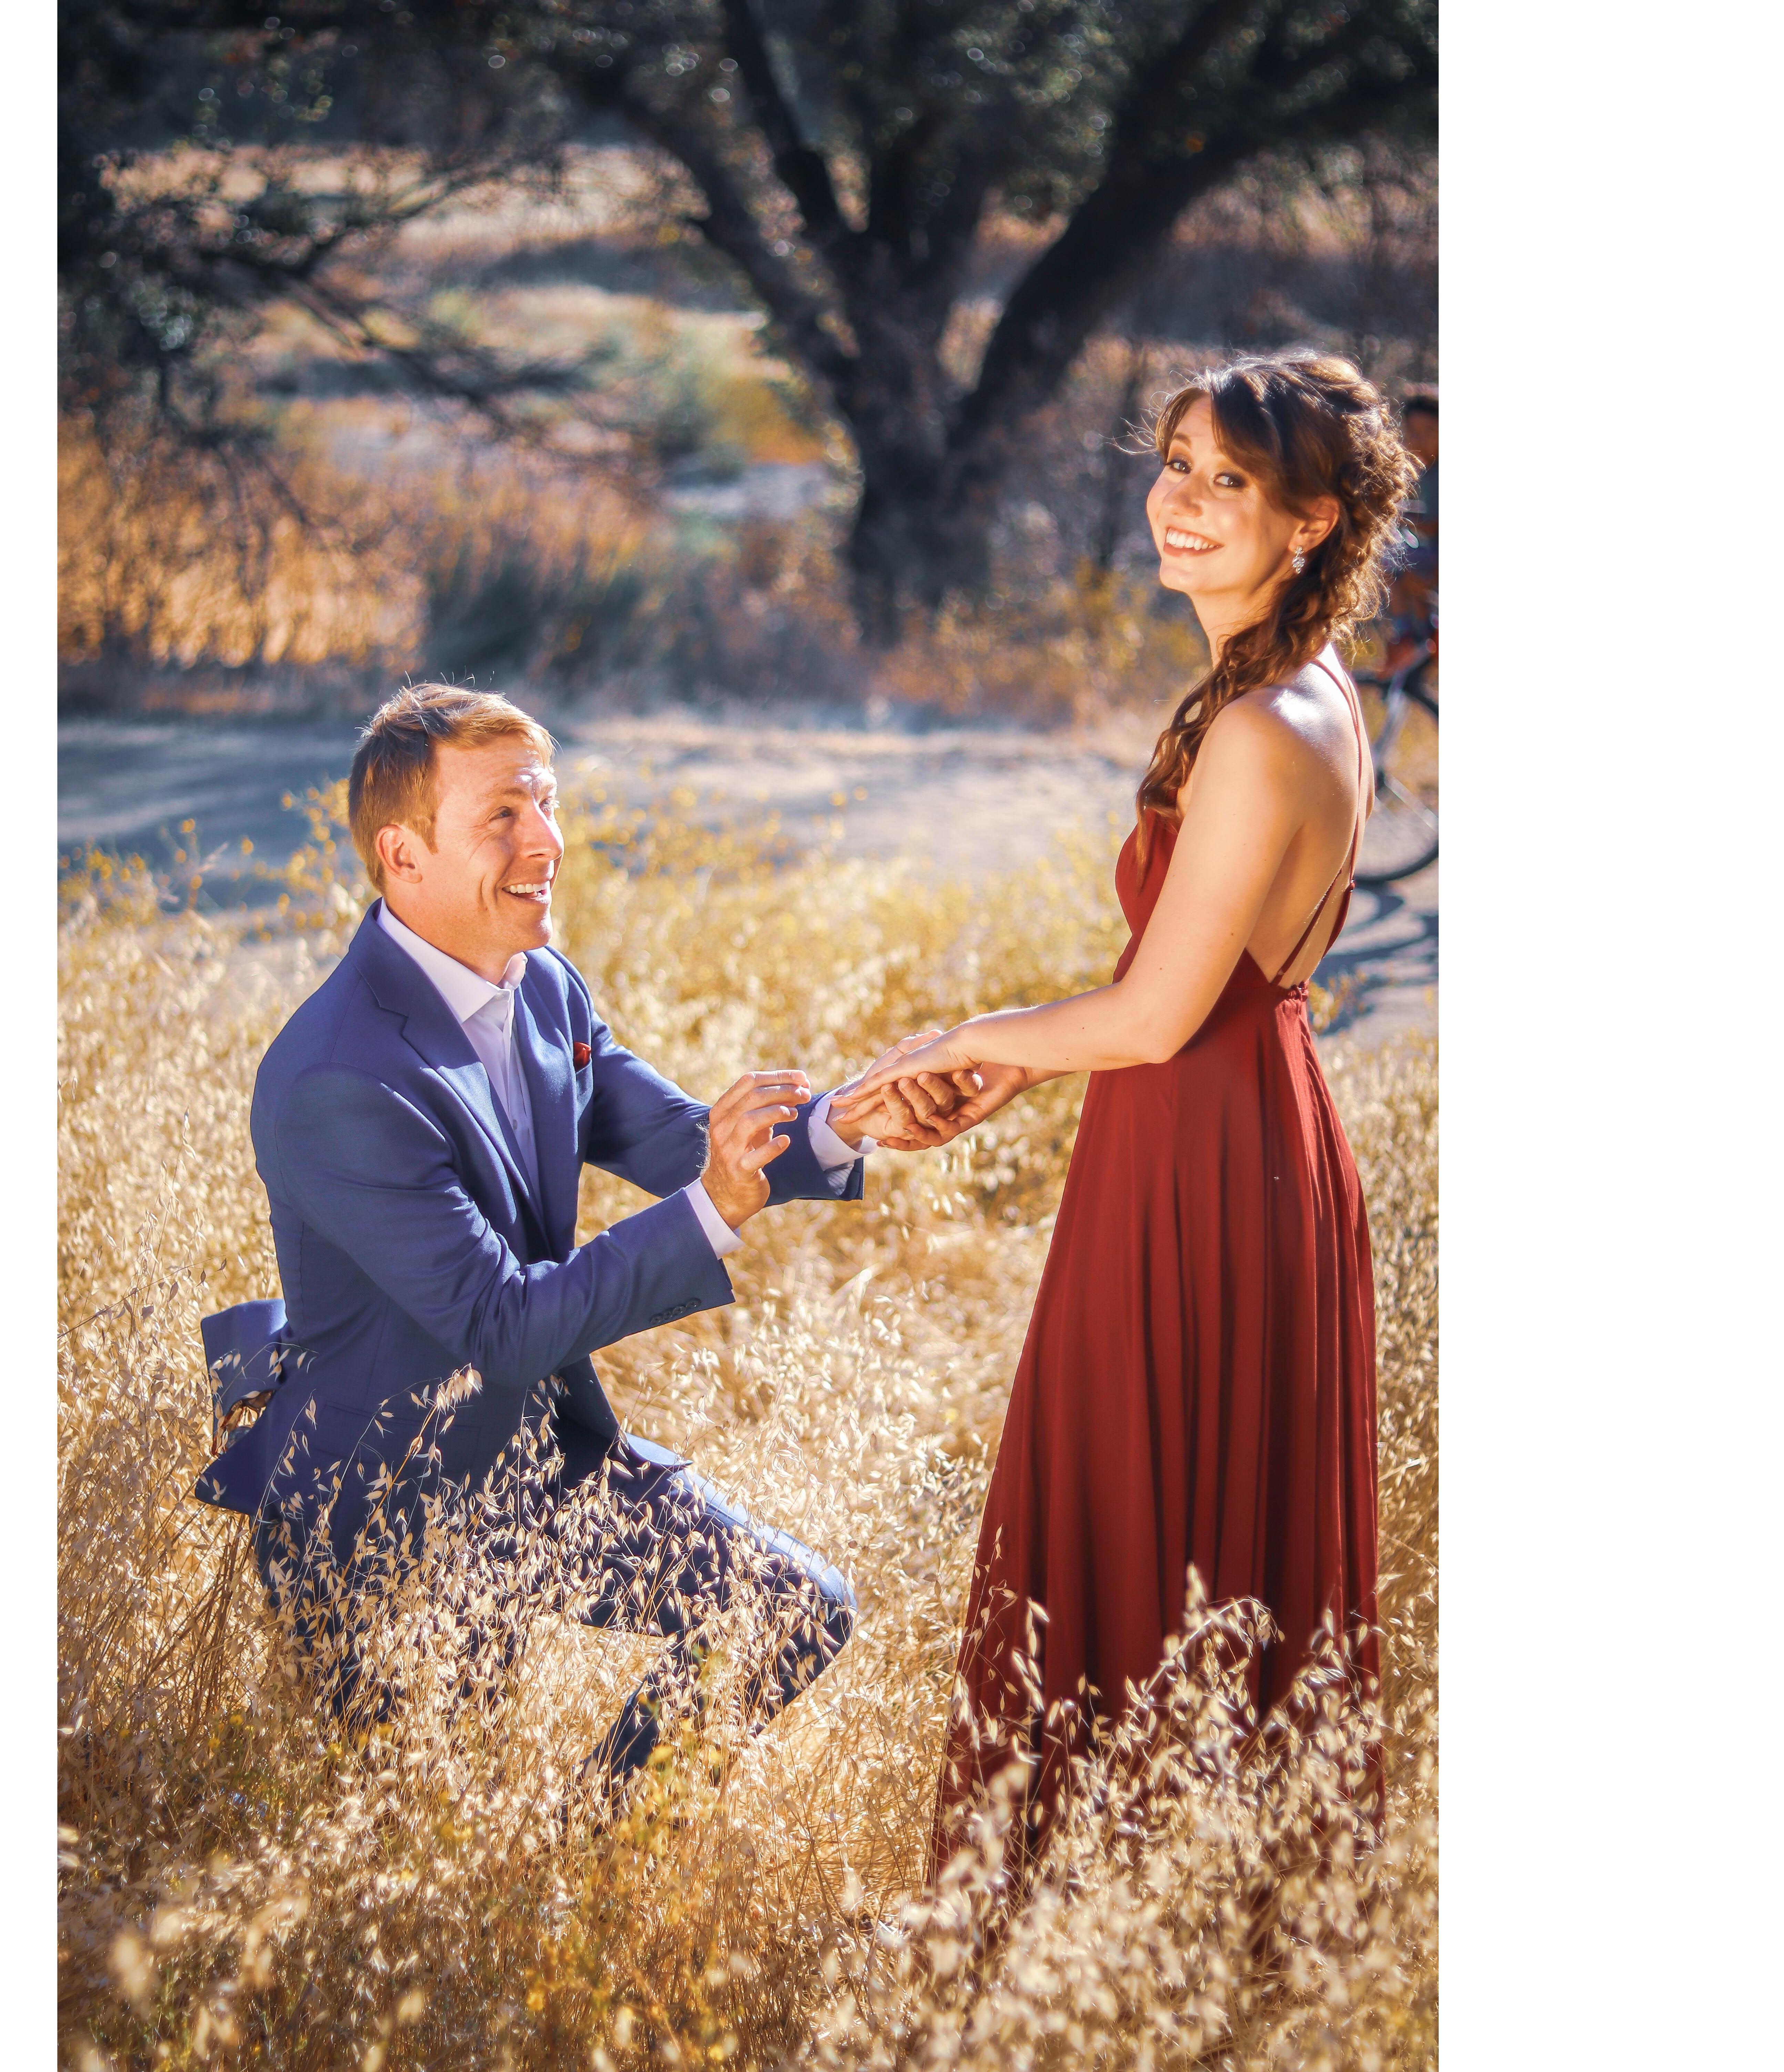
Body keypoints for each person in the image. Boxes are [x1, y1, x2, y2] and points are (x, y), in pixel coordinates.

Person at [837, 351, 1420, 1881]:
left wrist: (967, 1038)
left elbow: (1162, 1014)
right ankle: (1169, 1926)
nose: (1178, 501)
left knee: (1128, 1526)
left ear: (1309, 522)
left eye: (1226, 480)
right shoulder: (1285, 686)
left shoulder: (1260, 723)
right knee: (1179, 1535)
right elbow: (1181, 991)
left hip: (1203, 1154)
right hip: (1217, 1131)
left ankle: (1079, 1930)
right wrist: (1015, 1069)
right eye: (1171, 462)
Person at [195, 685, 963, 1807]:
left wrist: (850, 1119)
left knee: (796, 1607)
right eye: (504, 814)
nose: (547, 842)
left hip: (543, 1463)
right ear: (404, 857)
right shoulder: (335, 1078)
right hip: (390, 1517)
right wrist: (716, 1207)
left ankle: (589, 1845)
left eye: (547, 803)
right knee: (430, 1841)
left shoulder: (544, 985)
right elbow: (505, 1327)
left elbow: (680, 1137)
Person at [1383, 389, 1437, 666]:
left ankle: (1410, 637)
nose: (1419, 440)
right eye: (1413, 433)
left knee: (1389, 561)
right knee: (1396, 564)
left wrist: (1406, 519)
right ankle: (1423, 635)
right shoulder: (1424, 473)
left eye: (1429, 431)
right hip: (1431, 554)